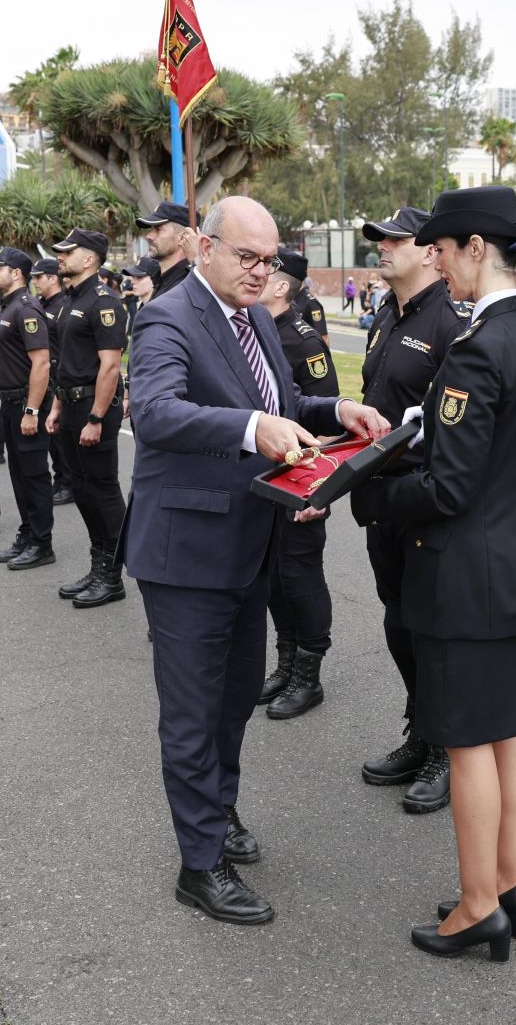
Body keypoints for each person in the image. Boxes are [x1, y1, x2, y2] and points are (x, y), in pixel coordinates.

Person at [124, 195, 387, 924]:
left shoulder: (255, 320)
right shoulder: (168, 319)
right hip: (186, 554)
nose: (260, 271)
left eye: (269, 260)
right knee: (191, 713)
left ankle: (218, 811)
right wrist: (251, 427)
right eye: (247, 257)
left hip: (250, 545)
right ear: (203, 247)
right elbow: (155, 413)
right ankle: (199, 865)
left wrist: (335, 412)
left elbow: (283, 399)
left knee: (235, 697)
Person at [351, 186, 516, 964]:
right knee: (509, 733)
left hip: (463, 570)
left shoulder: (478, 347)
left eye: (443, 247)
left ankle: (477, 908)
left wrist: (365, 493)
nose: (434, 258)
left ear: (478, 249)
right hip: (511, 562)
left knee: (468, 742)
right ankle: (506, 885)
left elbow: (446, 487)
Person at [353, 204, 466, 814]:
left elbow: (456, 429)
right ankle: (420, 729)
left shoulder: (451, 324)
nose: (383, 247)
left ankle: (446, 750)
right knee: (398, 619)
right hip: (382, 494)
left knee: (430, 627)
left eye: (395, 239)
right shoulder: (384, 317)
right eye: (379, 239)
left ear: (429, 252)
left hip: (423, 496)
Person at [255, 248, 340, 720]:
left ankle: (309, 673)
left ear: (282, 285)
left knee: (300, 575)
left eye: (265, 270)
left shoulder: (303, 340)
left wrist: (316, 490)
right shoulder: (257, 332)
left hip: (300, 480)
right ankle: (286, 661)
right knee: (273, 578)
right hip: (266, 478)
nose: (256, 275)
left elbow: (327, 422)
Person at [45, 229, 129, 609]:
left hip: (95, 408)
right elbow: (64, 361)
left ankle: (113, 575)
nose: (61, 257)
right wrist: (57, 407)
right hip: (71, 406)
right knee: (80, 490)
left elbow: (110, 367)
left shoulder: (105, 302)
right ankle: (98, 565)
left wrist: (96, 417)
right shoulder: (68, 301)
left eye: (68, 252)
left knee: (103, 491)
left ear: (91, 259)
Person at [0, 248, 57, 570]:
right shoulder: (7, 306)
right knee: (19, 475)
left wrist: (32, 410)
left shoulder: (26, 309)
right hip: (11, 403)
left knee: (34, 475)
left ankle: (42, 543)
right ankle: (28, 534)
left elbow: (41, 362)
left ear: (16, 273)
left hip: (26, 404)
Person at [31, 256, 76, 507]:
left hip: (59, 376)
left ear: (53, 278)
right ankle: (60, 479)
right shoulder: (39, 304)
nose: (35, 282)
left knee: (60, 438)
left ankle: (67, 482)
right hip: (45, 378)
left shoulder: (63, 305)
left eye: (39, 277)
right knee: (51, 438)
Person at [135, 201, 195, 298]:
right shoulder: (159, 278)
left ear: (182, 237)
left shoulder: (187, 284)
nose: (149, 236)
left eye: (158, 229)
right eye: (152, 229)